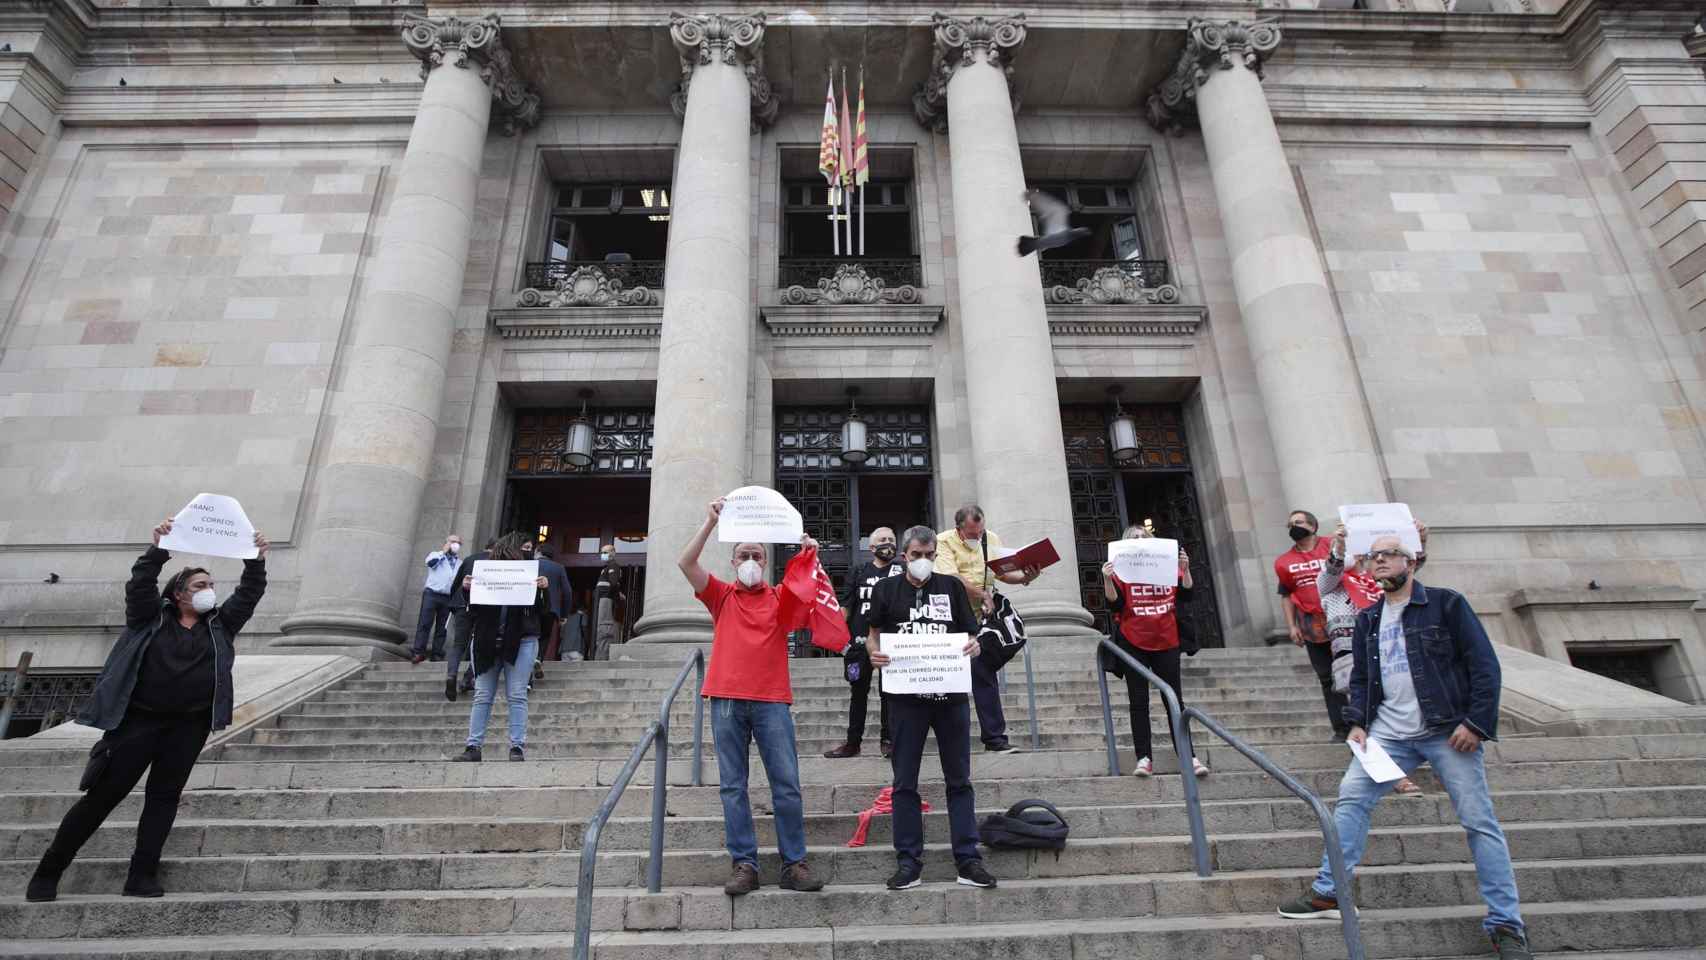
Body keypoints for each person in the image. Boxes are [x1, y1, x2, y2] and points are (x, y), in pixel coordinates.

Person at [1278, 536, 1532, 960]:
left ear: (1411, 562)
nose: (1379, 561)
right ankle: (1329, 891)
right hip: (1388, 734)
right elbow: (1361, 678)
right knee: (1351, 799)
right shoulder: (1369, 618)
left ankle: (1506, 924)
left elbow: (1484, 665)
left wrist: (1476, 723)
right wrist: (1356, 722)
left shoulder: (1446, 604)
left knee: (1478, 822)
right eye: (1373, 556)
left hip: (1447, 730)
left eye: (1388, 554)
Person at [27, 518, 269, 902]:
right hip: (138, 722)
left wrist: (255, 559)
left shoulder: (221, 625)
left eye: (211, 585)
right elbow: (140, 584)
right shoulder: (148, 618)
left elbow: (251, 591)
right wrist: (158, 549)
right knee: (103, 796)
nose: (209, 591)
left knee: (163, 799)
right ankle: (48, 872)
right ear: (178, 594)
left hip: (188, 727)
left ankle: (142, 875)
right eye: (200, 585)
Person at [679, 498, 826, 896]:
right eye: (743, 554)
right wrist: (710, 522)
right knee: (732, 785)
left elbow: (809, 591)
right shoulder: (721, 595)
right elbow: (686, 564)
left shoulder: (780, 597)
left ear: (765, 562)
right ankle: (745, 864)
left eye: (756, 555)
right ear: (733, 561)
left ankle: (794, 863)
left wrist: (807, 554)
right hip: (726, 699)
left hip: (772, 700)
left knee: (787, 784)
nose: (749, 560)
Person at [868, 525, 998, 891]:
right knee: (904, 783)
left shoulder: (952, 587)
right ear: (903, 556)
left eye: (929, 555)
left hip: (950, 698)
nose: (922, 561)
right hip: (905, 701)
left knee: (959, 781)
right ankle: (908, 862)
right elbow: (873, 633)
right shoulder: (885, 590)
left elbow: (969, 632)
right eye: (915, 555)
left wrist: (973, 645)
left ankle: (968, 860)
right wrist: (872, 653)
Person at [1318, 520, 1428, 796]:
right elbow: (1330, 572)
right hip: (1353, 656)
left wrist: (1419, 542)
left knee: (1385, 713)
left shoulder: (1378, 580)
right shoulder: (1334, 582)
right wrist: (1339, 549)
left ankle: (1393, 765)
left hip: (1389, 651)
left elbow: (1410, 568)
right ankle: (1395, 776)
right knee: (1365, 715)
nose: (1366, 558)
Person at [1100, 524, 1208, 778]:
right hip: (1133, 640)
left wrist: (1185, 568)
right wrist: (1107, 578)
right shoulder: (1122, 571)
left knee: (1174, 700)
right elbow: (1115, 605)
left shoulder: (1167, 566)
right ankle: (1144, 758)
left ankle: (1188, 756)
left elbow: (1187, 594)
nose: (1139, 540)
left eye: (1143, 536)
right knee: (1139, 701)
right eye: (1133, 538)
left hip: (1167, 638)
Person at [934, 504, 1039, 754]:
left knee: (982, 669)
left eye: (980, 532)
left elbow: (1002, 574)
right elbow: (953, 579)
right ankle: (949, 738)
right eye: (972, 534)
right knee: (947, 678)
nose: (977, 538)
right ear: (959, 528)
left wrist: (1026, 577)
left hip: (982, 617)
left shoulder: (990, 539)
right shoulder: (943, 541)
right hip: (951, 616)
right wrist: (983, 594)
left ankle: (994, 739)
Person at [452, 532, 550, 762]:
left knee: (515, 695)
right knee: (483, 694)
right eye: (521, 550)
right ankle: (474, 746)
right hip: (487, 640)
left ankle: (516, 746)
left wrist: (543, 591)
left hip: (521, 640)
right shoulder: (485, 572)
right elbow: (469, 610)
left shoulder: (531, 576)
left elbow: (543, 613)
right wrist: (467, 590)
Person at [824, 526, 903, 759]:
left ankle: (888, 740)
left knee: (889, 693)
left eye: (891, 539)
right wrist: (835, 633)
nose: (888, 543)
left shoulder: (902, 570)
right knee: (858, 692)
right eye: (882, 540)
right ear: (871, 547)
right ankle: (852, 743)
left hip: (892, 641)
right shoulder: (859, 572)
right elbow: (846, 607)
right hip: (859, 642)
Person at [443, 537, 493, 702]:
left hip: (461, 605)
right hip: (482, 608)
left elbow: (456, 583)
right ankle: (467, 678)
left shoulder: (470, 559)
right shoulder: (498, 561)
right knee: (480, 643)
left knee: (459, 644)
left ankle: (451, 675)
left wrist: (453, 603)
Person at [412, 534, 462, 665]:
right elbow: (431, 563)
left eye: (458, 543)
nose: (455, 545)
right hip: (432, 594)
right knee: (425, 623)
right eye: (453, 542)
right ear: (447, 542)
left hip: (448, 598)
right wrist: (444, 552)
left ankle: (437, 653)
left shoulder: (459, 563)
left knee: (442, 627)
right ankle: (418, 652)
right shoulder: (435, 555)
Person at [533, 543, 572, 677]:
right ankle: (538, 658)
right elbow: (567, 592)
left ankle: (528, 665)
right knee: (544, 637)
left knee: (528, 637)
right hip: (551, 609)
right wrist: (564, 615)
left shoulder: (530, 564)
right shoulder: (559, 568)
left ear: (538, 552)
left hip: (530, 607)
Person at [591, 544, 625, 661]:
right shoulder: (605, 568)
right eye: (602, 552)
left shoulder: (614, 566)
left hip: (606, 600)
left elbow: (614, 583)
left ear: (613, 553)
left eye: (606, 552)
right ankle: (599, 655)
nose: (603, 555)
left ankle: (602, 657)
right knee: (601, 629)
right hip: (602, 600)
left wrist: (616, 595)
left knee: (605, 629)